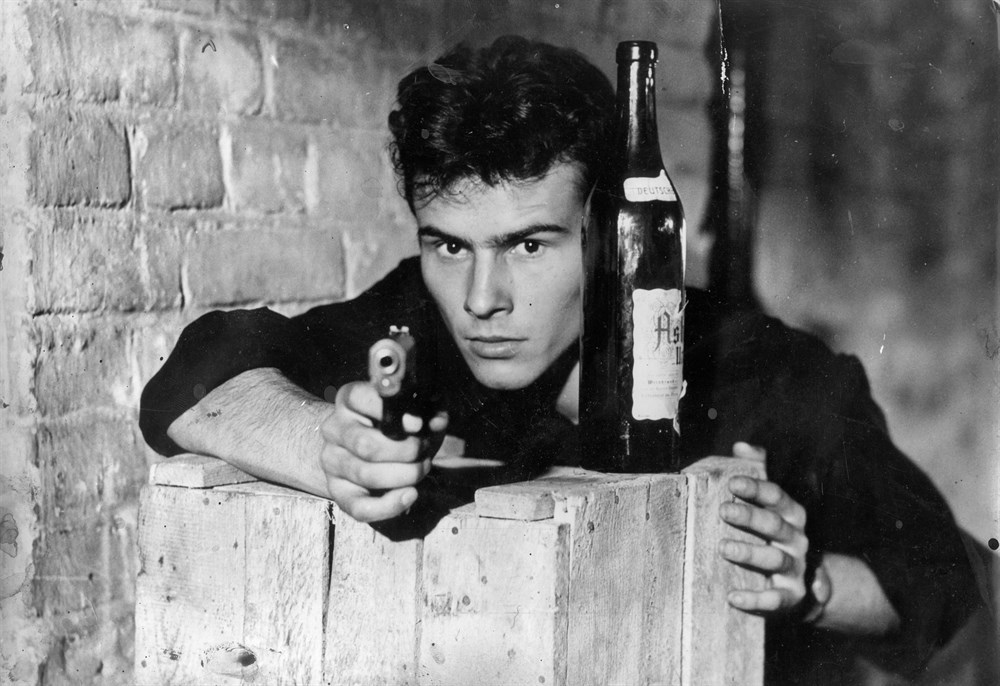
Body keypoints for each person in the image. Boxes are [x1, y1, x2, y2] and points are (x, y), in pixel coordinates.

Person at [139, 36, 982, 684]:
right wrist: (324, 445)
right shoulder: (423, 314)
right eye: (449, 245)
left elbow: (948, 584)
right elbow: (194, 376)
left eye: (529, 245)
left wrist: (809, 583)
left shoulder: (769, 374)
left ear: (608, 233)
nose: (482, 299)